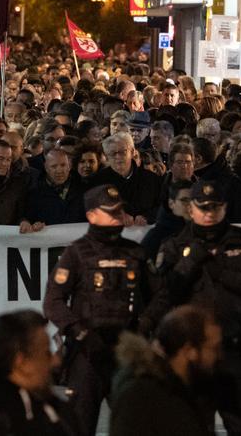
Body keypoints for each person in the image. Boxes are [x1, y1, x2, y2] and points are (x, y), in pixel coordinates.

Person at [155, 179, 241, 435]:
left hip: (234, 350)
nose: (209, 213)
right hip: (193, 354)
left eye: (215, 207)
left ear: (225, 207)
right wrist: (189, 264)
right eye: (203, 207)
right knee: (193, 425)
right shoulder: (174, 245)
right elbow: (164, 294)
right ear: (191, 209)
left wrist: (221, 273)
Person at [43, 184, 156, 434]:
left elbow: (159, 296)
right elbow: (53, 301)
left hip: (126, 351)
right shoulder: (75, 253)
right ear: (92, 215)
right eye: (110, 212)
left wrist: (144, 324)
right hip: (88, 353)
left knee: (135, 426)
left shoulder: (135, 252)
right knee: (79, 425)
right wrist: (78, 331)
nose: (118, 217)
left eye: (120, 211)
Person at [109, 306, 220, 436]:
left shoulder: (182, 389)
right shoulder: (144, 399)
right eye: (213, 348)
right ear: (189, 350)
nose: (219, 356)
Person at [85, 133, 164, 225]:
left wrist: (147, 216)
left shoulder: (152, 179)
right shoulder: (97, 181)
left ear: (132, 152)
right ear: (106, 157)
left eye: (123, 152)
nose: (118, 157)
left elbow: (163, 206)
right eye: (113, 153)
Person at [23, 147, 86, 229]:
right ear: (46, 168)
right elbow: (28, 218)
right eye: (54, 166)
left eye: (63, 165)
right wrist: (32, 223)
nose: (59, 170)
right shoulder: (35, 193)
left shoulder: (83, 189)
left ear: (69, 166)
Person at [141, 179, 194, 257]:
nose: (190, 205)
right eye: (185, 200)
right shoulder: (156, 236)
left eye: (194, 200)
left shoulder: (204, 229)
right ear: (171, 203)